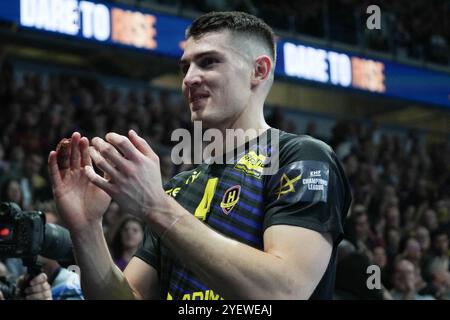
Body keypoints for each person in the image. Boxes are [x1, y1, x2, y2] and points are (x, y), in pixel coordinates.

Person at [46, 11, 352, 300]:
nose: (189, 79)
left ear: (258, 71)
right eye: (185, 67)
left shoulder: (302, 157)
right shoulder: (177, 188)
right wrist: (87, 228)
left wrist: (158, 207)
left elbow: (285, 291)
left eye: (208, 62)